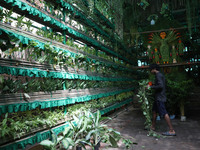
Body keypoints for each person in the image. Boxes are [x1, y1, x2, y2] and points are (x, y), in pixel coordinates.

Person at [147, 64, 176, 136]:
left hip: (160, 98)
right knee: (154, 111)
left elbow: (160, 86)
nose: (151, 72)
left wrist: (151, 87)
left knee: (164, 113)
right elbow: (159, 84)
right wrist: (152, 84)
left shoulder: (158, 75)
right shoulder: (159, 75)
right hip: (158, 97)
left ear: (154, 69)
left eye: (151, 70)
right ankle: (153, 126)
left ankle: (171, 130)